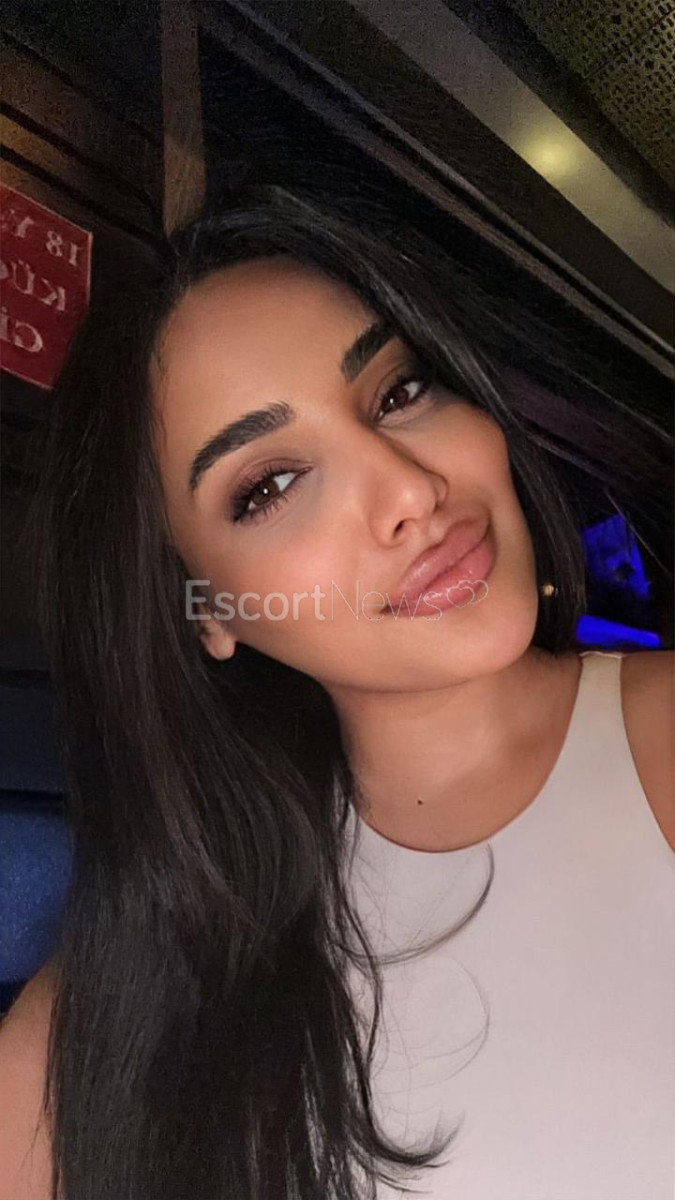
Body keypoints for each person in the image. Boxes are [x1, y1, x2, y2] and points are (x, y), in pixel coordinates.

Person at [0, 182, 672, 1200]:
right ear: (206, 610)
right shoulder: (111, 1023)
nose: (410, 491)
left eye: (399, 393)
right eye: (269, 487)